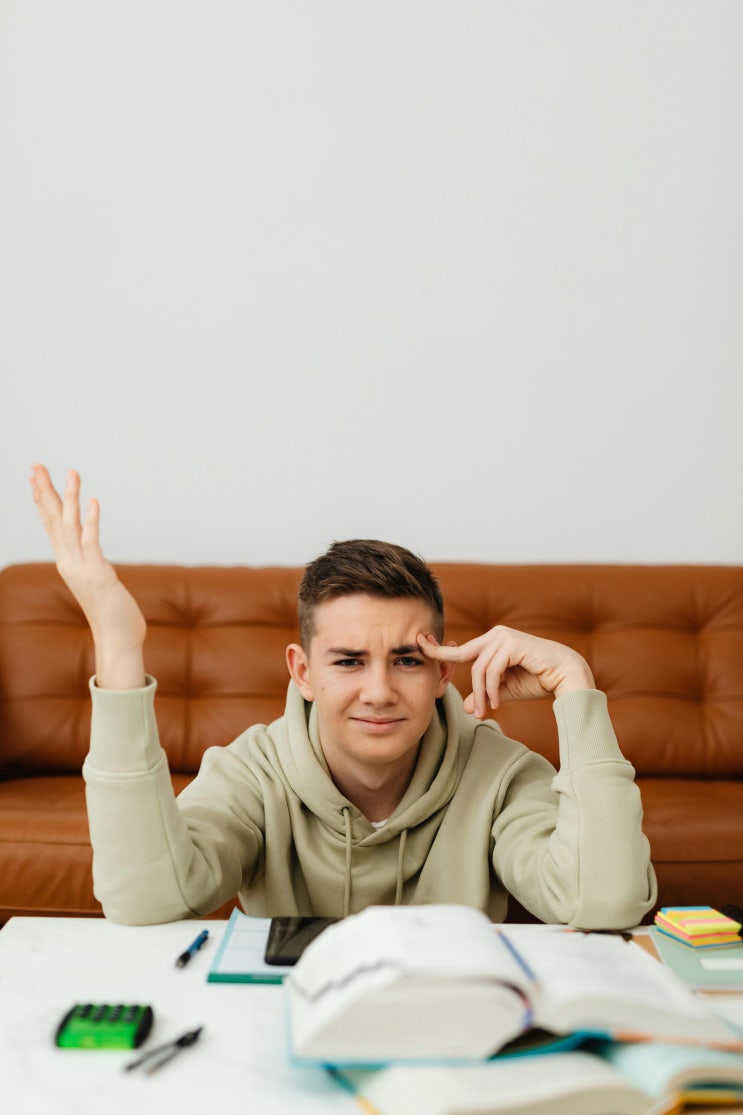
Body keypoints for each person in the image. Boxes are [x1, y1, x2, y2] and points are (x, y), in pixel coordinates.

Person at [30, 464, 657, 928]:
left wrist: (575, 684)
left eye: (407, 660)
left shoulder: (501, 774)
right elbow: (145, 900)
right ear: (303, 672)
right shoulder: (253, 771)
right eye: (349, 661)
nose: (379, 692)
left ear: (444, 674)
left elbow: (603, 903)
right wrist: (117, 646)